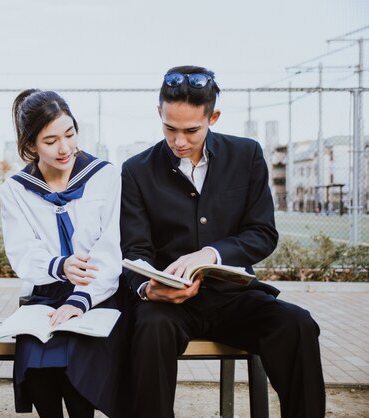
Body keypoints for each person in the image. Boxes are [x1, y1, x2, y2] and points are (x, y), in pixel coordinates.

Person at [120, 66, 325, 418]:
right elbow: (135, 250)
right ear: (159, 114)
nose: (179, 140)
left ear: (213, 117)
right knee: (150, 328)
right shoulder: (136, 169)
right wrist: (148, 290)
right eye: (170, 128)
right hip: (168, 306)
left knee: (297, 324)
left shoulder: (246, 155)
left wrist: (211, 253)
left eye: (191, 130)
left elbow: (262, 233)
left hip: (234, 299)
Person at [0, 89, 127, 418]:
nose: (65, 148)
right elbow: (23, 252)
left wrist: (80, 298)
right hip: (45, 293)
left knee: (77, 360)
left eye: (70, 134)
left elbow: (110, 248)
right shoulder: (16, 188)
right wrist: (60, 266)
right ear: (31, 145)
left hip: (98, 293)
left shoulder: (104, 176)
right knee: (38, 362)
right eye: (51, 140)